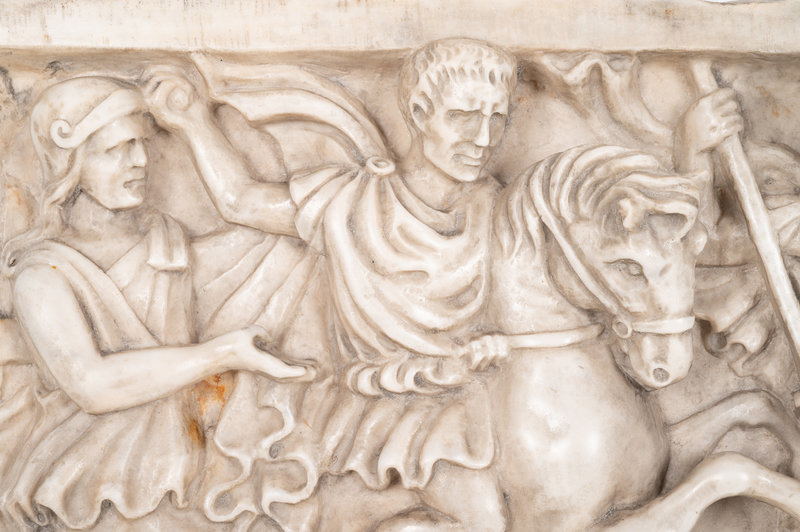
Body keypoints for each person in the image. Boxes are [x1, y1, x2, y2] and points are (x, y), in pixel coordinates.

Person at [145, 39, 744, 530]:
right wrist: (191, 120)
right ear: (417, 112)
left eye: (495, 119)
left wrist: (691, 155)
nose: (481, 139)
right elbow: (239, 201)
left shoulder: (504, 213)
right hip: (392, 405)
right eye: (461, 117)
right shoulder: (351, 202)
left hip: (490, 400)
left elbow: (650, 253)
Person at [0, 76, 307, 530]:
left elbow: (263, 248)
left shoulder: (167, 242)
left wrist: (196, 122)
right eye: (116, 149)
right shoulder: (41, 274)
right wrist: (224, 354)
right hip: (90, 487)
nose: (141, 160)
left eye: (141, 143)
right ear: (70, 163)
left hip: (182, 479)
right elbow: (92, 384)